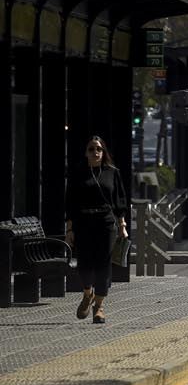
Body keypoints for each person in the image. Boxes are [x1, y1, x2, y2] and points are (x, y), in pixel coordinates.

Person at [64, 136, 128, 324]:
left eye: (98, 149)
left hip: (106, 224)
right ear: (86, 153)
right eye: (91, 149)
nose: (95, 152)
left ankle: (99, 306)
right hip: (83, 223)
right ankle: (87, 293)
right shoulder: (78, 173)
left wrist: (122, 226)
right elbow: (71, 202)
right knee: (84, 264)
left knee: (102, 265)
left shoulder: (112, 172)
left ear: (103, 152)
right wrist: (69, 229)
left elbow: (119, 200)